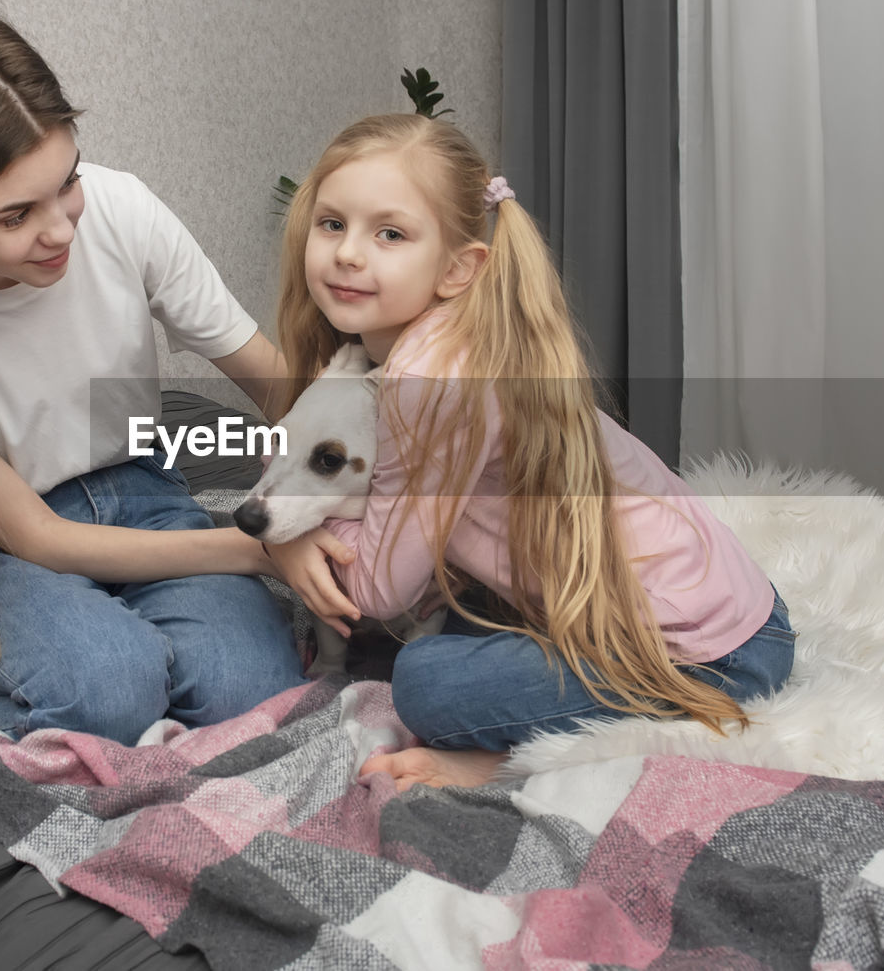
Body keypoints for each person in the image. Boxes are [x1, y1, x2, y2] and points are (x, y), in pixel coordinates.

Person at [0, 3, 306, 744]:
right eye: (15, 216)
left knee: (253, 692)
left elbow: (274, 381)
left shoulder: (122, 209)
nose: (61, 230)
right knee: (108, 689)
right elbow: (38, 535)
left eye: (68, 181)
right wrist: (257, 550)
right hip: (1, 545)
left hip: (142, 483)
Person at [265, 113, 795, 789]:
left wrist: (292, 528)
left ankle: (508, 760)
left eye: (389, 233)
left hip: (715, 653)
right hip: (733, 610)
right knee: (455, 618)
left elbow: (376, 588)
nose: (346, 252)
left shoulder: (428, 379)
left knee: (426, 680)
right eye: (332, 223)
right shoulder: (442, 338)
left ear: (458, 268)